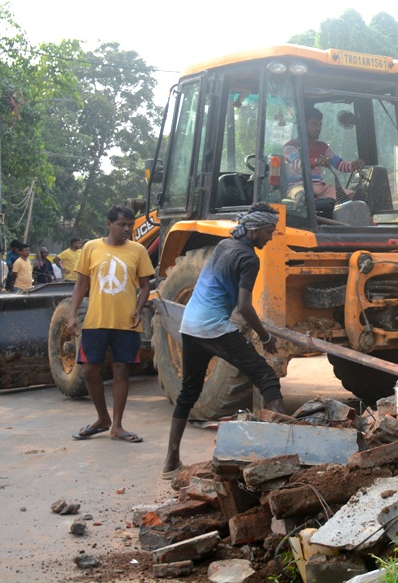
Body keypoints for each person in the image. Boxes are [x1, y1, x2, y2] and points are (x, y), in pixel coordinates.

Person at [161, 203, 286, 479]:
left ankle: (170, 463)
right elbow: (244, 306)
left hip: (190, 325)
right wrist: (265, 337)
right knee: (266, 377)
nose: (270, 236)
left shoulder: (222, 247)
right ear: (255, 230)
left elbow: (220, 293)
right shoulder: (250, 259)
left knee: (188, 393)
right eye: (269, 231)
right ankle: (281, 458)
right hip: (213, 329)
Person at [67, 205, 155, 444]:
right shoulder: (91, 248)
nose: (127, 229)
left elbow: (145, 286)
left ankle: (117, 426)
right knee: (88, 370)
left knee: (121, 370)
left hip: (126, 322)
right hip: (96, 320)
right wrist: (72, 314)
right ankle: (102, 418)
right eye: (121, 224)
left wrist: (138, 309)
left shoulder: (138, 250)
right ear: (109, 224)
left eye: (130, 225)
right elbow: (81, 284)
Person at [283, 106, 364, 200]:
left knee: (351, 198)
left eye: (320, 125)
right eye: (314, 124)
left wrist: (353, 165)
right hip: (298, 186)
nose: (318, 128)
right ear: (302, 125)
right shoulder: (291, 147)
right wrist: (317, 161)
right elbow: (299, 164)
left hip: (321, 187)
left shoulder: (322, 147)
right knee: (301, 196)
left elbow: (339, 164)